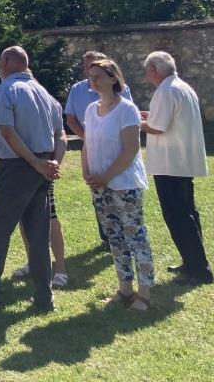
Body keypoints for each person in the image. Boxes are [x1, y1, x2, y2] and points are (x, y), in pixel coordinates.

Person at [0, 46, 64, 311]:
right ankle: (44, 297)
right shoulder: (44, 93)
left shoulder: (7, 89)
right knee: (38, 234)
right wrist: (52, 163)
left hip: (16, 168)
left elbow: (6, 131)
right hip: (41, 168)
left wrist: (35, 162)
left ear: (5, 62)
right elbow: (60, 135)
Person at [82, 59, 154, 310]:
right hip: (100, 185)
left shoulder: (127, 110)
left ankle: (144, 294)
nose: (93, 80)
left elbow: (131, 149)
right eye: (91, 76)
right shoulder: (91, 109)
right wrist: (87, 172)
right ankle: (124, 290)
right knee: (114, 236)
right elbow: (87, 143)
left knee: (135, 236)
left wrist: (107, 176)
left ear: (113, 78)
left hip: (124, 184)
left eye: (98, 76)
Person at [141, 51, 212, 285]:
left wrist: (133, 121)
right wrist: (149, 117)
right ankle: (193, 262)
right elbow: (166, 120)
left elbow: (157, 127)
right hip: (181, 161)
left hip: (170, 163)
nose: (146, 74)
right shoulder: (181, 87)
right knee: (187, 213)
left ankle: (198, 269)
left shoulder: (166, 90)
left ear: (153, 69)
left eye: (147, 70)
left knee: (178, 215)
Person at [65, 50, 134, 247]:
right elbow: (70, 118)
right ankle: (108, 237)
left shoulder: (124, 96)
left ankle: (127, 239)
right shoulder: (78, 91)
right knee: (101, 200)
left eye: (94, 67)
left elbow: (130, 126)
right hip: (93, 151)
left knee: (128, 215)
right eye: (87, 68)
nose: (91, 73)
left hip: (117, 152)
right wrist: (89, 139)